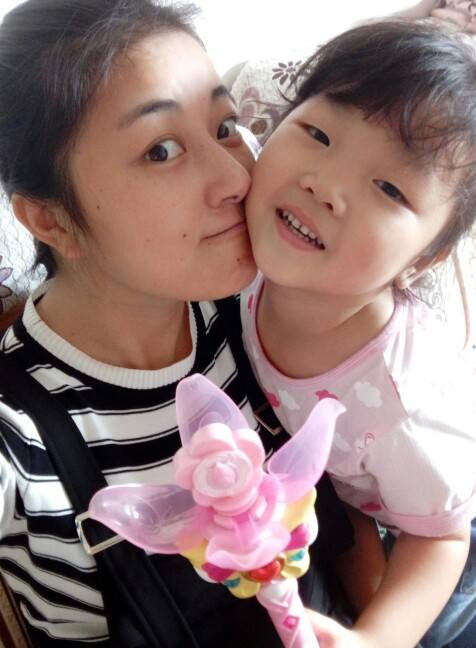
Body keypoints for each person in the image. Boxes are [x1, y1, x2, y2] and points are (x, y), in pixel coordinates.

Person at [0, 1, 357, 645]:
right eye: (161, 150)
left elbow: (354, 515)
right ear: (51, 219)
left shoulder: (259, 313)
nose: (236, 177)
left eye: (225, 127)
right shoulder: (17, 438)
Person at [241, 20, 476, 648]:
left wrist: (378, 638)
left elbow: (442, 537)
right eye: (318, 134)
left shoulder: (404, 406)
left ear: (423, 259)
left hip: (437, 520)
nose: (325, 185)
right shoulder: (239, 255)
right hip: (346, 489)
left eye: (389, 188)